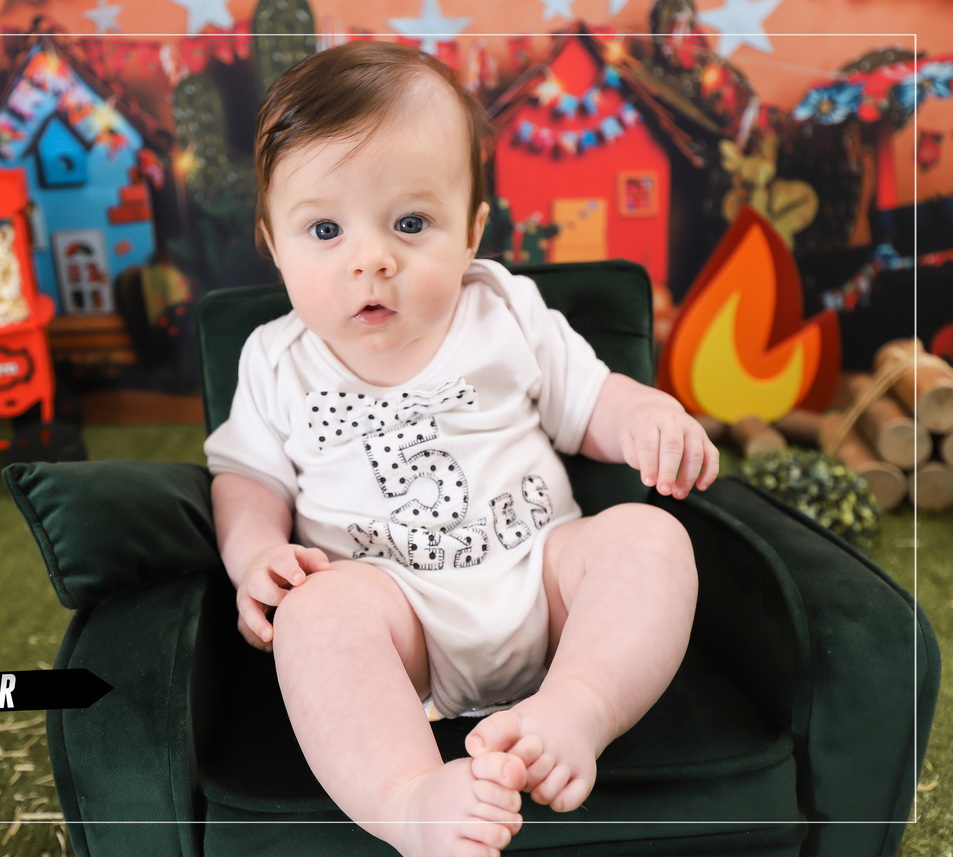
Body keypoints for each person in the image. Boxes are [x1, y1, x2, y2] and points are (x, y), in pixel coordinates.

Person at [204, 40, 718, 857]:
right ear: (273, 240)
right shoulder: (275, 360)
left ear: (472, 229)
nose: (372, 259)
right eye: (325, 229)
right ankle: (410, 798)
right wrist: (256, 554)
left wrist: (647, 414)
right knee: (316, 616)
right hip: (398, 618)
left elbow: (590, 401)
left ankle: (577, 707)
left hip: (543, 580)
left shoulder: (503, 309)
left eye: (411, 223)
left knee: (650, 539)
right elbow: (245, 476)